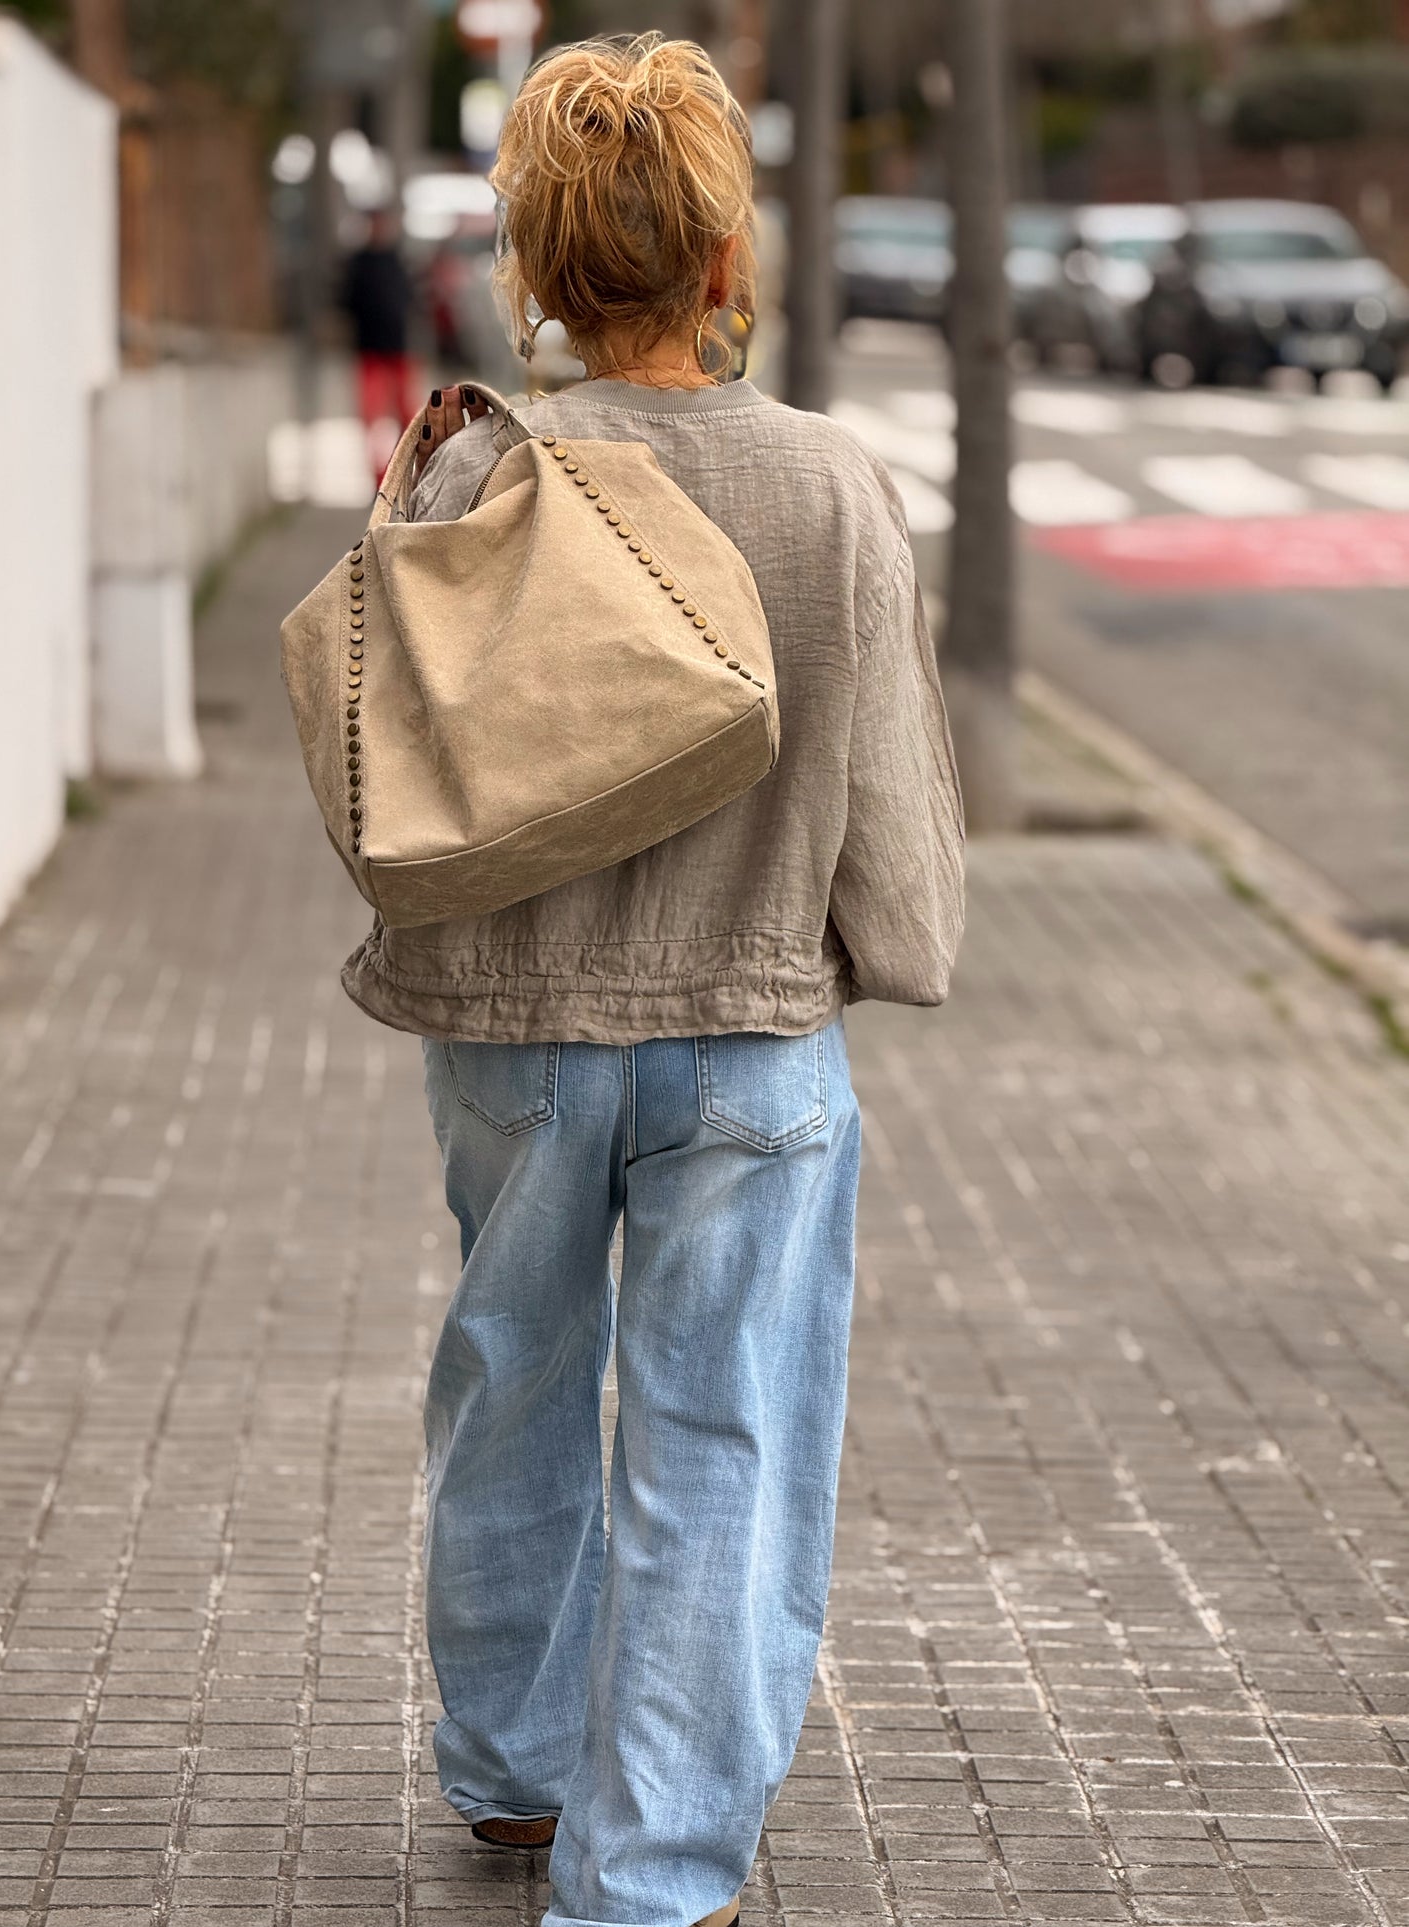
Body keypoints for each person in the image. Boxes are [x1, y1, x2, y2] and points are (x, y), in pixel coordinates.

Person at [341, 33, 965, 1927]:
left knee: (509, 1378)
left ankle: (520, 1777)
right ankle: (655, 1869)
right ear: (722, 260)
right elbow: (889, 786)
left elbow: (406, 768)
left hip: (519, 1036)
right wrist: (895, 949)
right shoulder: (829, 483)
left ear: (530, 267)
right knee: (724, 1434)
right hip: (756, 1032)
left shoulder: (474, 473)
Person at [340, 207, 416, 485]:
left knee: (408, 416)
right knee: (372, 419)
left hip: (398, 351)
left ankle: (406, 473)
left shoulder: (397, 260)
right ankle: (379, 478)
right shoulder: (358, 263)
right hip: (370, 353)